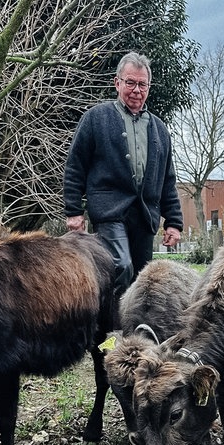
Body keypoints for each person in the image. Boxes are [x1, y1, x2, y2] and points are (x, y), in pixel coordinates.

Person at [63, 51, 183, 309]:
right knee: (120, 266)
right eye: (130, 82)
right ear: (117, 83)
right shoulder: (96, 118)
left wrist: (173, 222)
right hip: (109, 210)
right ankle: (108, 331)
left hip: (144, 214)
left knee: (143, 279)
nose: (136, 90)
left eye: (142, 84)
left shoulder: (160, 129)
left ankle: (134, 335)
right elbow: (75, 166)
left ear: (148, 87)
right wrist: (74, 211)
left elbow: (167, 180)